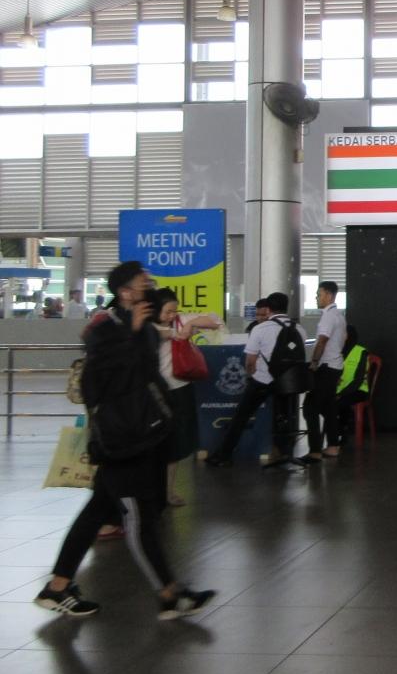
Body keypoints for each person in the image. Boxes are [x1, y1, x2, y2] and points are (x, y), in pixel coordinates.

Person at [35, 261, 216, 620]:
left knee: (97, 512)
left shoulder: (144, 327)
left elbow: (148, 378)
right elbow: (100, 384)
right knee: (141, 518)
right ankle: (169, 594)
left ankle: (57, 587)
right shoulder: (104, 328)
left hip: (145, 434)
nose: (149, 286)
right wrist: (131, 336)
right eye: (143, 282)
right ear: (125, 292)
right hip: (123, 442)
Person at [204, 292, 307, 467]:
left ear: (268, 309)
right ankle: (284, 452)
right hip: (288, 382)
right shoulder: (299, 329)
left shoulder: (260, 329)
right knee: (283, 416)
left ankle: (224, 455)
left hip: (262, 380)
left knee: (241, 416)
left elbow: (250, 361)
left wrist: (251, 375)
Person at [152, 288, 222, 505]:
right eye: (167, 311)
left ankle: (167, 490)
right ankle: (151, 490)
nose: (172, 315)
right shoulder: (146, 326)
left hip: (180, 388)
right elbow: (148, 335)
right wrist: (173, 333)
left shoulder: (181, 320)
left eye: (174, 311)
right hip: (154, 392)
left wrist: (190, 324)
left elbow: (215, 320)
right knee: (154, 443)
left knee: (175, 443)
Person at [305, 280, 347, 460]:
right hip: (335, 365)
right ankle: (333, 446)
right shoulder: (339, 315)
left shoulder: (328, 316)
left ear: (329, 295)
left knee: (310, 407)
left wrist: (314, 362)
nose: (316, 298)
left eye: (319, 294)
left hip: (327, 366)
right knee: (329, 407)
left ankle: (315, 450)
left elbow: (322, 341)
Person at [333, 325, 371, 446]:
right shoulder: (337, 351)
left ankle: (340, 433)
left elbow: (358, 381)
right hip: (339, 390)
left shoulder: (361, 352)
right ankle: (336, 433)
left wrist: (341, 394)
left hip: (358, 390)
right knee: (324, 403)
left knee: (340, 403)